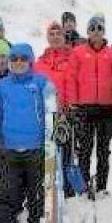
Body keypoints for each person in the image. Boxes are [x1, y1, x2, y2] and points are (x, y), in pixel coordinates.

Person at [0, 43, 49, 223]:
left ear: (30, 61)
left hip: (36, 151)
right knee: (6, 199)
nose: (19, 62)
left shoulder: (41, 83)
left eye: (23, 59)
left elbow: (53, 110)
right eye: (15, 59)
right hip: (9, 152)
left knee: (37, 199)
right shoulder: (1, 86)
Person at [65, 15, 112, 195]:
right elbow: (72, 78)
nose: (96, 32)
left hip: (106, 109)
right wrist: (73, 105)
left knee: (103, 149)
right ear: (88, 32)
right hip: (84, 108)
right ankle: (82, 186)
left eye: (99, 28)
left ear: (103, 31)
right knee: (85, 149)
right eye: (92, 29)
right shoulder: (78, 52)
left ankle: (102, 186)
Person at [36, 20, 75, 194]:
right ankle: (49, 184)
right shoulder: (40, 62)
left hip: (66, 112)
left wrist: (71, 108)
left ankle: (67, 188)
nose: (55, 37)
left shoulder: (73, 58)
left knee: (67, 150)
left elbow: (76, 83)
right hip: (45, 113)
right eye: (51, 34)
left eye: (58, 33)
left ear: (63, 36)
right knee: (48, 150)